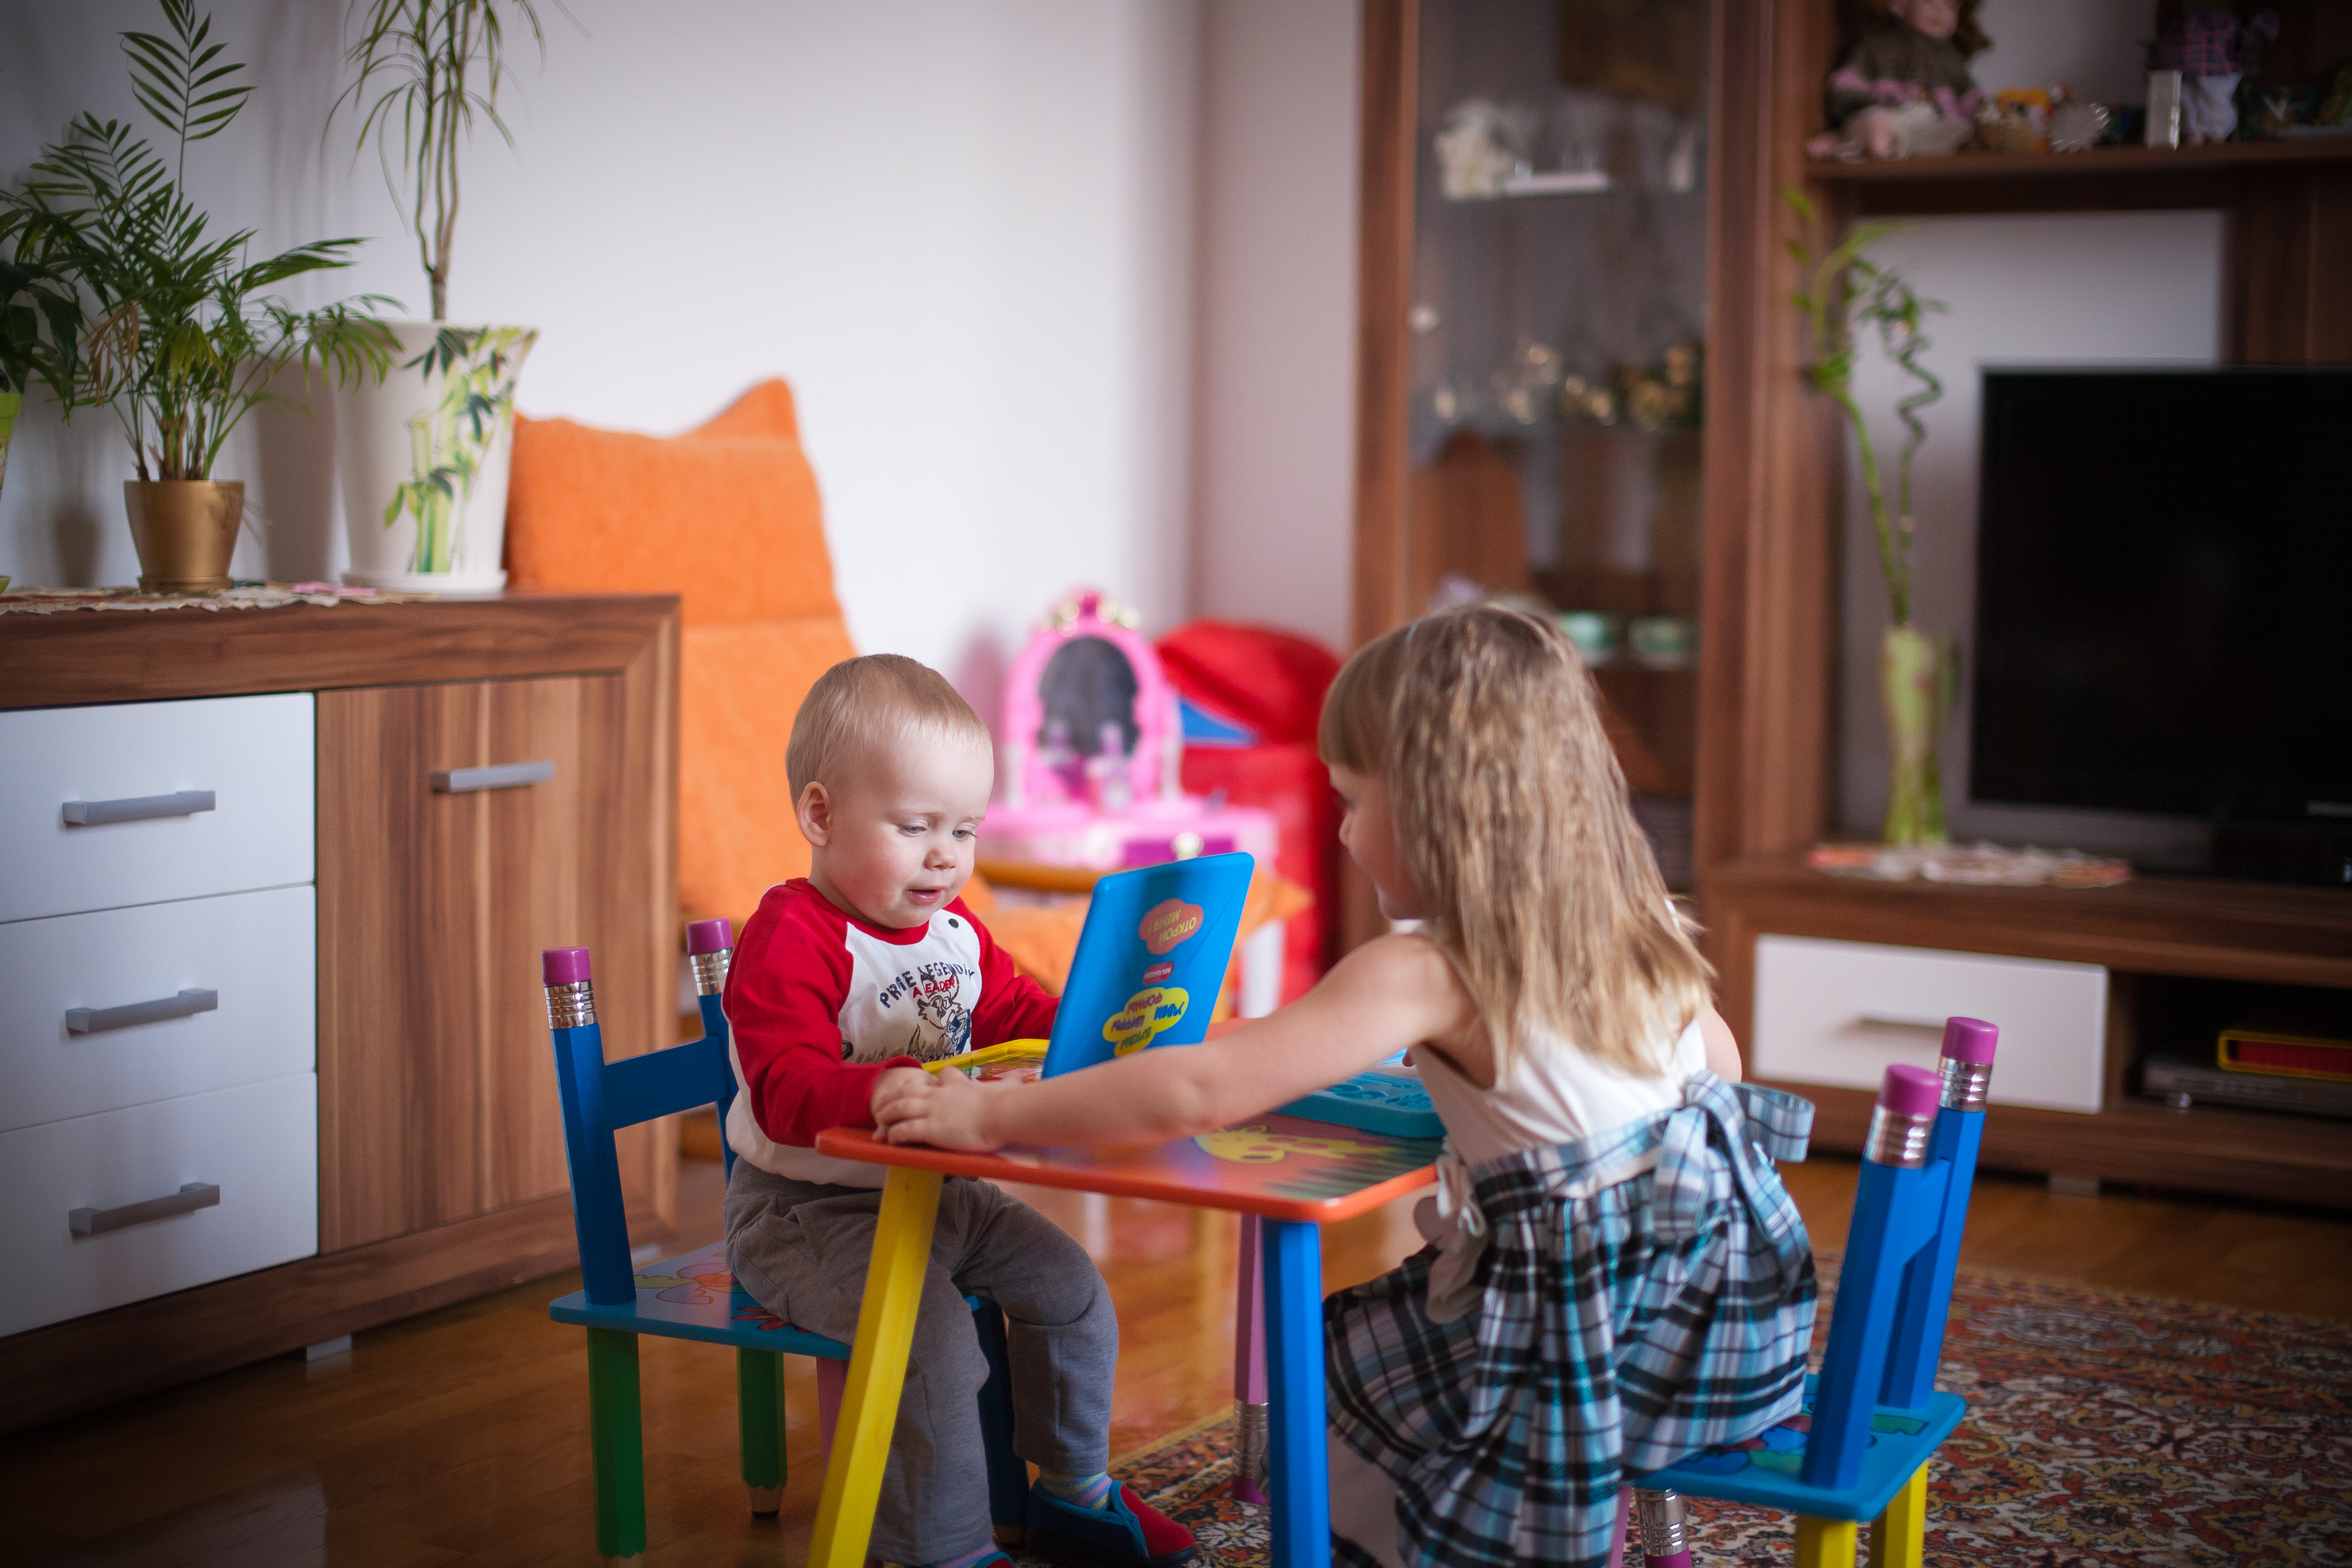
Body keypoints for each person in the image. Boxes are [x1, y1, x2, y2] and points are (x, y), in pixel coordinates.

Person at [876, 606, 1818, 1568]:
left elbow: (1202, 1089)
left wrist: (992, 1111)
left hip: (1587, 1353)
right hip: (1731, 1332)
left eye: (1355, 801)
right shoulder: (1639, 916)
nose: (1345, 831)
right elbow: (1723, 1071)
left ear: (1434, 807)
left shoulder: (1428, 966)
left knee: (1326, 1366)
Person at [721, 653, 1198, 1568]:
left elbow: (1017, 1012)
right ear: (819, 816)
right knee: (933, 1352)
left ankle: (1072, 1494)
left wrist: (1103, 1026)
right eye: (914, 827)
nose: (947, 855)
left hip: (935, 1196)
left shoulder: (954, 929)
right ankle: (943, 1550)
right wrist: (882, 1087)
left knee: (1073, 1294)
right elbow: (783, 1089)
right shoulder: (792, 935)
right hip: (807, 1213)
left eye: (966, 829)